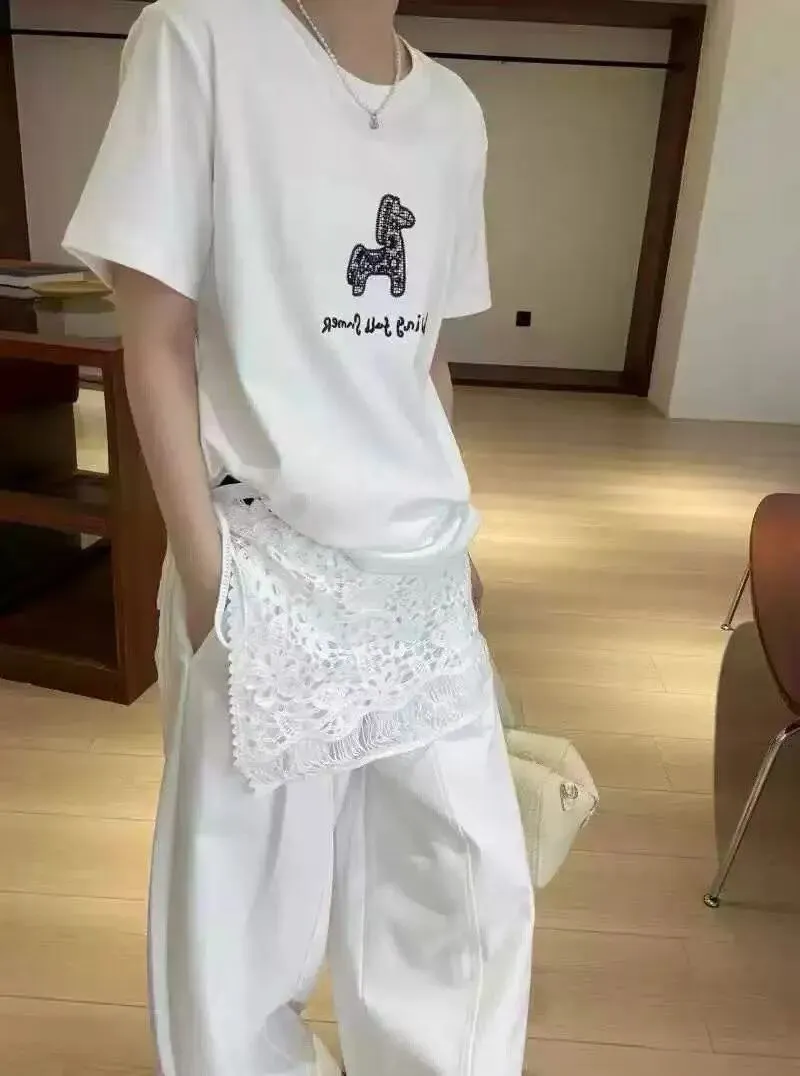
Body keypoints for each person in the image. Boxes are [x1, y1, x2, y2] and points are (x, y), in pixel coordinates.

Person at [64, 1, 533, 1073]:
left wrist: (456, 533)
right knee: (242, 925)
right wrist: (205, 569)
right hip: (265, 560)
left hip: (417, 572)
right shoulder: (198, 38)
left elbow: (422, 355)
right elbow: (156, 333)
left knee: (465, 897)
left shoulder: (452, 112)